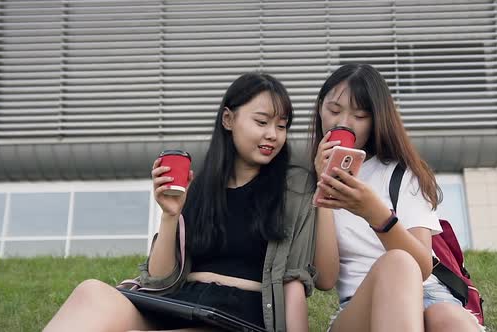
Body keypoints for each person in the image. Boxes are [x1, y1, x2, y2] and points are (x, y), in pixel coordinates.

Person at [44, 72, 316, 332]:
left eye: (281, 126)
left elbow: (294, 280)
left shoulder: (294, 188)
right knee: (90, 291)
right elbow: (158, 280)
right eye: (262, 122)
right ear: (228, 119)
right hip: (181, 305)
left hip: (236, 317)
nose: (273, 134)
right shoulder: (198, 189)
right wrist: (170, 215)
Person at [310, 63, 484, 331]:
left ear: (376, 120)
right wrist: (323, 188)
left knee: (450, 320)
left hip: (431, 296)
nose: (343, 122)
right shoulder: (304, 179)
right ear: (320, 107)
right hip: (358, 305)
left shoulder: (401, 174)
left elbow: (423, 266)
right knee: (396, 262)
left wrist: (373, 212)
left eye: (359, 115)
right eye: (334, 110)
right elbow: (325, 278)